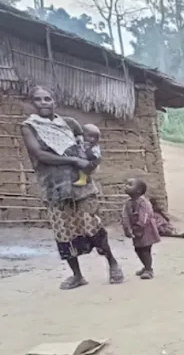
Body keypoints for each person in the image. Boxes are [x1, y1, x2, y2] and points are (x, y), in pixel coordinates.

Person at [20, 86, 124, 290]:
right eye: (38, 99)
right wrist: (75, 161)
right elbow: (40, 155)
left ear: (54, 102)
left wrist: (90, 162)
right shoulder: (29, 127)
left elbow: (88, 146)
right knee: (63, 232)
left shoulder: (68, 124)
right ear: (32, 103)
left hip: (81, 186)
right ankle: (77, 275)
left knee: (93, 226)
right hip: (54, 188)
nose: (43, 103)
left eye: (47, 99)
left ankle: (112, 263)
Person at [121, 178, 161, 280]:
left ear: (138, 190)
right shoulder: (127, 203)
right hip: (135, 231)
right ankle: (145, 266)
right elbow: (125, 216)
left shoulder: (144, 203)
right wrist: (127, 229)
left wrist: (139, 228)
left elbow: (145, 217)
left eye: (129, 185)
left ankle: (149, 269)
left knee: (145, 250)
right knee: (138, 249)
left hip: (146, 231)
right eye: (126, 184)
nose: (126, 186)